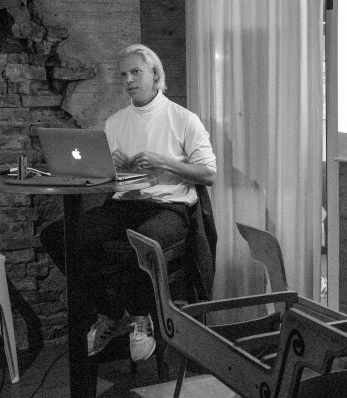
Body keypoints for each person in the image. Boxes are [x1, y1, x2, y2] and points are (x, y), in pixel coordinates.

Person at [40, 44, 217, 362]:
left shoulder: (183, 119)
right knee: (56, 235)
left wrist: (165, 162)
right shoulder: (116, 122)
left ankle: (140, 318)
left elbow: (208, 173)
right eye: (124, 75)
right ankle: (111, 312)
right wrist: (111, 166)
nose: (129, 80)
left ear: (155, 74)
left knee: (139, 241)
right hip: (124, 204)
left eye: (136, 72)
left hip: (168, 208)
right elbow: (106, 179)